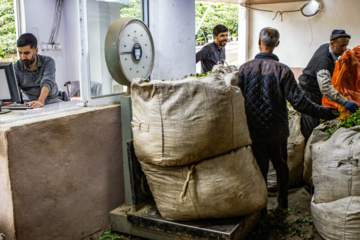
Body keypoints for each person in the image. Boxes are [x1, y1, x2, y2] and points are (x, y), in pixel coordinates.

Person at [237, 27, 338, 211]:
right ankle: (282, 204)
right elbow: (300, 103)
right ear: (277, 44)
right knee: (281, 166)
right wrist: (327, 112)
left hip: (254, 131)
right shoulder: (283, 71)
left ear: (259, 42)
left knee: (259, 169)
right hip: (277, 131)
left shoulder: (244, 69)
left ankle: (260, 210)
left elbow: (237, 101)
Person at [298, 29, 359, 142]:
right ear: (332, 43)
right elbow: (325, 88)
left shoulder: (326, 47)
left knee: (317, 117)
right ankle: (307, 149)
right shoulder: (323, 63)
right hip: (308, 92)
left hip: (315, 91)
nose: (345, 49)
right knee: (310, 121)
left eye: (346, 45)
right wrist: (345, 102)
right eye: (342, 46)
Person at [14, 33, 62, 109]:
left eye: (26, 53)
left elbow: (47, 82)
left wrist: (40, 101)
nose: (23, 57)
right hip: (29, 103)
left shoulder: (48, 62)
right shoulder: (16, 67)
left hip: (51, 101)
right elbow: (14, 89)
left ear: (36, 51)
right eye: (20, 53)